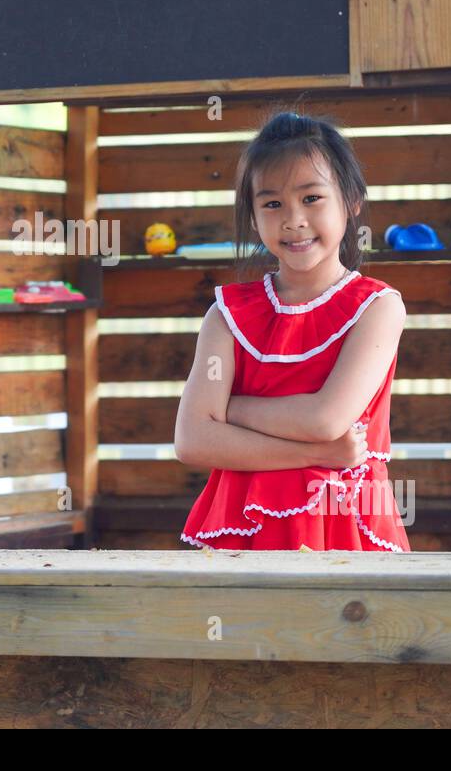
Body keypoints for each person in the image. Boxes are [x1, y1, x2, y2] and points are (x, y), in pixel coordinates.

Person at [175, 110, 410, 552]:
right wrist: (315, 454)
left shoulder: (377, 308)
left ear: (352, 199)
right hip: (241, 530)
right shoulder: (226, 316)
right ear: (253, 215)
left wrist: (230, 409)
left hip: (341, 524)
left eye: (312, 198)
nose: (293, 220)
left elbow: (326, 418)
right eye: (272, 203)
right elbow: (192, 440)